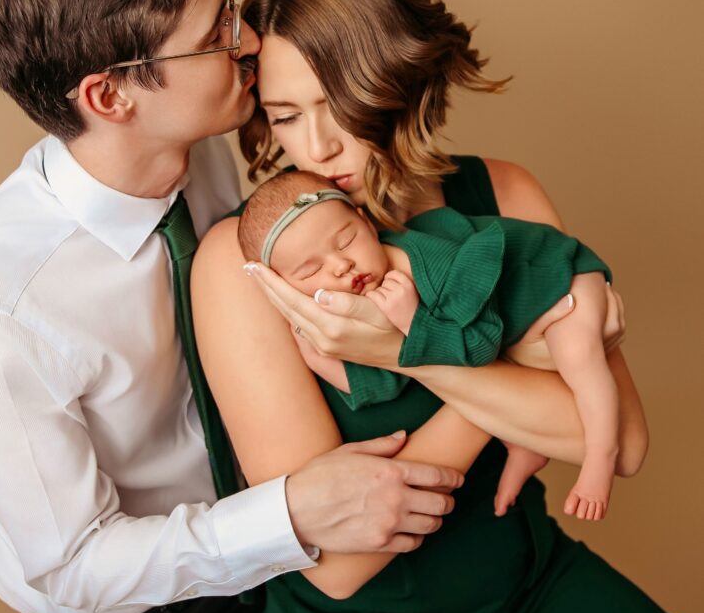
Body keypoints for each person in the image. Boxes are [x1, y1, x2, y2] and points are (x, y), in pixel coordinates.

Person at [0, 0, 468, 613]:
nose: (248, 41)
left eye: (230, 3)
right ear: (110, 99)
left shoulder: (212, 135)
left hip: (292, 560)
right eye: (216, 33)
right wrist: (286, 516)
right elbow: (69, 566)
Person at [191, 0, 704, 613]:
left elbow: (620, 441)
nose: (317, 147)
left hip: (533, 580)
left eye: (342, 106)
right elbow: (333, 557)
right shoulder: (246, 261)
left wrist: (405, 355)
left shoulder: (503, 192)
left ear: (400, 82)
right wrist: (507, 363)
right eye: (286, 115)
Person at [237, 166, 619, 520]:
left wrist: (411, 320)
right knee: (496, 397)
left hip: (556, 277)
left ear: (368, 225)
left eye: (346, 240)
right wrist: (320, 355)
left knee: (577, 353)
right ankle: (525, 447)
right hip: (511, 325)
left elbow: (481, 349)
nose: (340, 266)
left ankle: (601, 456)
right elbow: (395, 375)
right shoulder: (360, 301)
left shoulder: (422, 265)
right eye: (311, 270)